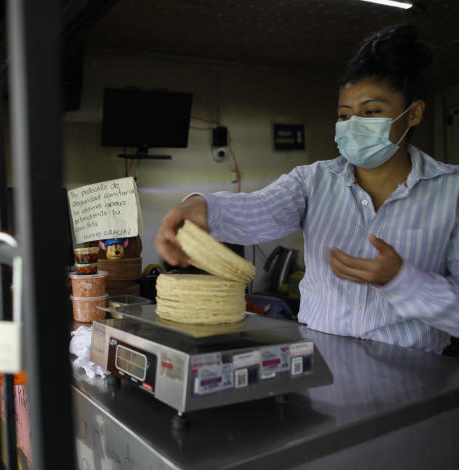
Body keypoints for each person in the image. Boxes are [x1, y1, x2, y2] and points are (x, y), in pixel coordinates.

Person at [156, 25, 459, 354]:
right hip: (322, 378)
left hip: (415, 386)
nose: (354, 125)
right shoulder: (312, 181)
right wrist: (201, 207)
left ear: (413, 113)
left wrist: (402, 280)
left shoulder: (451, 191)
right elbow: (261, 209)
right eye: (345, 115)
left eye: (371, 112)